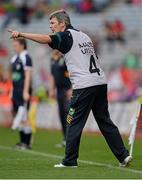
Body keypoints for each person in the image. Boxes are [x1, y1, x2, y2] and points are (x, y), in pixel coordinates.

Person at [8, 10, 132, 167]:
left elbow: (46, 39)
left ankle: (69, 161)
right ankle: (123, 156)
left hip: (84, 85)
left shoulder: (67, 36)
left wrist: (22, 35)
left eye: (53, 23)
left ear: (62, 24)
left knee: (72, 122)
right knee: (105, 121)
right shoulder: (83, 35)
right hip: (100, 82)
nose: (51, 27)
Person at [10, 38, 33, 150]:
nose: (14, 47)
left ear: (22, 45)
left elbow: (28, 75)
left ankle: (27, 142)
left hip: (23, 89)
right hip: (16, 90)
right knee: (19, 115)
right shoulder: (14, 58)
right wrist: (11, 91)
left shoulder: (26, 57)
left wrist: (26, 91)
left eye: (16, 45)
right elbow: (13, 76)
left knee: (24, 115)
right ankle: (22, 141)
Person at [49, 49, 72, 147]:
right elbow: (53, 76)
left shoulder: (65, 59)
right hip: (59, 91)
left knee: (68, 116)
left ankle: (70, 140)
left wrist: (71, 89)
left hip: (67, 91)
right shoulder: (52, 60)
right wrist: (51, 89)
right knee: (62, 115)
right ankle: (65, 139)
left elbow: (72, 73)